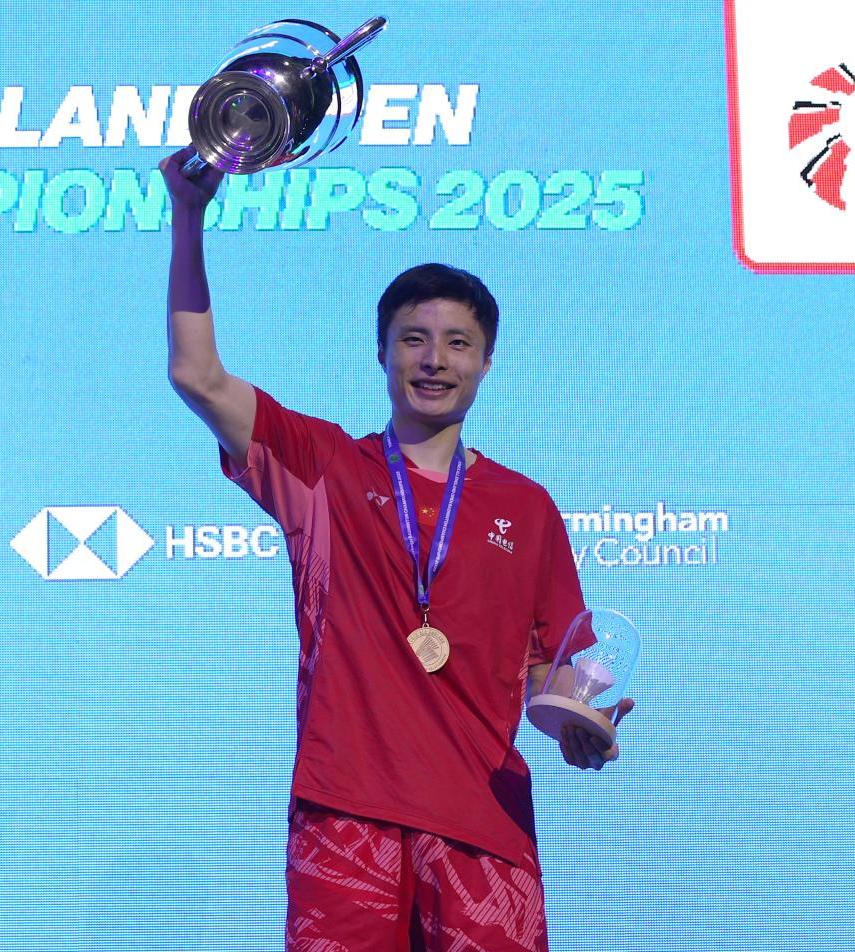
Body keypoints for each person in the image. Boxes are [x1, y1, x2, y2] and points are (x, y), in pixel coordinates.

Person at [160, 145, 634, 952]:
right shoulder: (322, 469)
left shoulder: (526, 507)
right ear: (381, 351)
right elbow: (198, 376)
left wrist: (577, 725)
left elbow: (545, 674)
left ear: (486, 361)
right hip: (345, 817)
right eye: (413, 339)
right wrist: (188, 216)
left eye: (457, 343)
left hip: (482, 827)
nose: (433, 360)